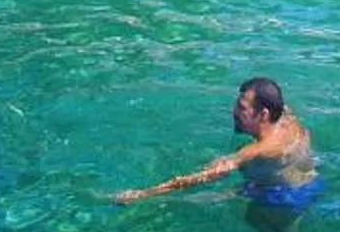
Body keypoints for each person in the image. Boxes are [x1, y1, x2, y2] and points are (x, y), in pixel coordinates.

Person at [110, 77, 317, 211]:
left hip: (281, 197)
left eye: (242, 108)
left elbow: (206, 176)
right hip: (308, 180)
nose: (234, 112)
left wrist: (144, 194)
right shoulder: (285, 119)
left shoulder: (257, 150)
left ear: (263, 114)